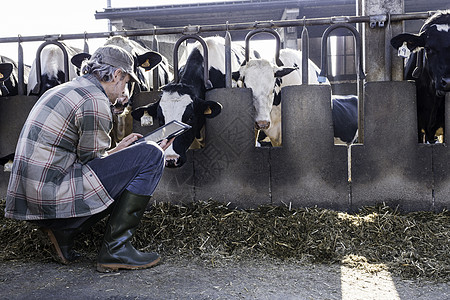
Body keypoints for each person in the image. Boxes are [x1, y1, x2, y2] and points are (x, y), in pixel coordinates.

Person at [4, 45, 171, 273]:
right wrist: (148, 151)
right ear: (116, 75)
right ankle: (117, 249)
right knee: (151, 156)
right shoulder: (95, 101)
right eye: (127, 82)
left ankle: (63, 233)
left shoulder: (66, 89)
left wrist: (119, 149)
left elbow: (84, 159)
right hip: (51, 198)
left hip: (31, 199)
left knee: (143, 154)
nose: (124, 90)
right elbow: (92, 165)